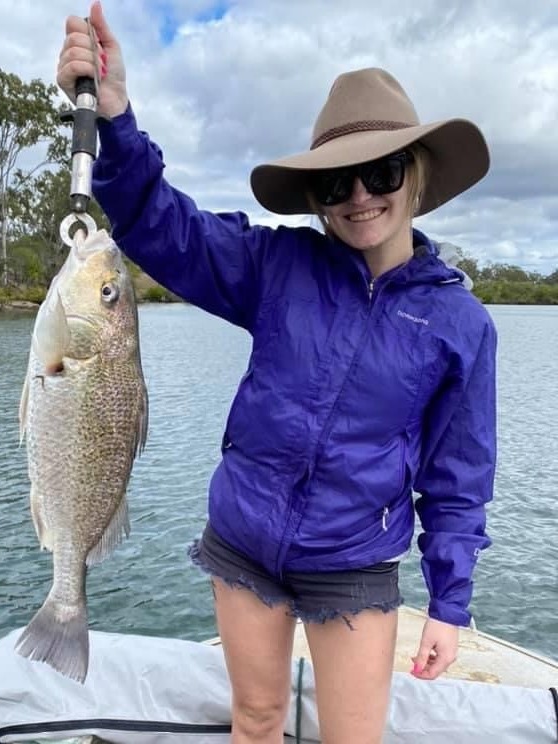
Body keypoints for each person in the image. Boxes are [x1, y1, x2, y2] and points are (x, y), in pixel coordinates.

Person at [58, 4, 497, 743]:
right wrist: (117, 120)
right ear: (317, 197)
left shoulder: (462, 325)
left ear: (415, 174)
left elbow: (459, 479)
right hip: (244, 543)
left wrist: (451, 604)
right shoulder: (275, 265)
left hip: (354, 562)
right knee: (256, 718)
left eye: (381, 172)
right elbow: (166, 227)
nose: (360, 196)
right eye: (337, 183)